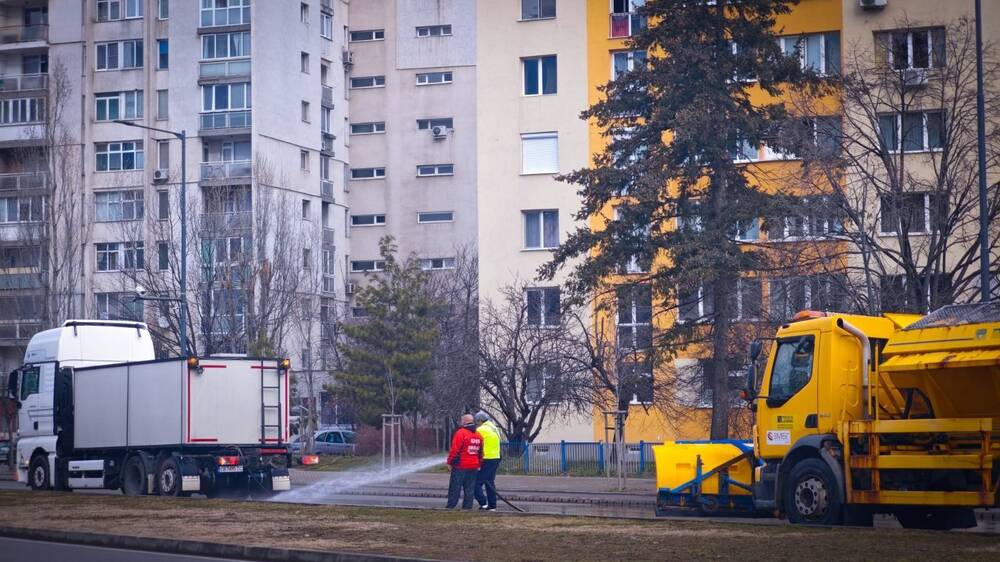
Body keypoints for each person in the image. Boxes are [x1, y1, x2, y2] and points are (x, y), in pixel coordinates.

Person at [445, 413, 482, 509]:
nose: (461, 422)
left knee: (455, 488)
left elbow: (454, 449)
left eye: (462, 420)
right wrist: (479, 464)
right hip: (473, 466)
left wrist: (449, 462)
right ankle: (467, 508)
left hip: (460, 466)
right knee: (469, 489)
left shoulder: (461, 433)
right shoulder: (478, 435)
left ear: (465, 421)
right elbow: (480, 452)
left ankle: (450, 507)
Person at [473, 411, 501, 511]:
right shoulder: (494, 428)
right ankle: (492, 506)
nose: (476, 424)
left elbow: (474, 442)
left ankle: (483, 504)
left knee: (475, 483)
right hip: (496, 457)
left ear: (480, 421)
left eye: (476, 422)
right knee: (489, 482)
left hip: (487, 458)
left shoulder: (481, 429)